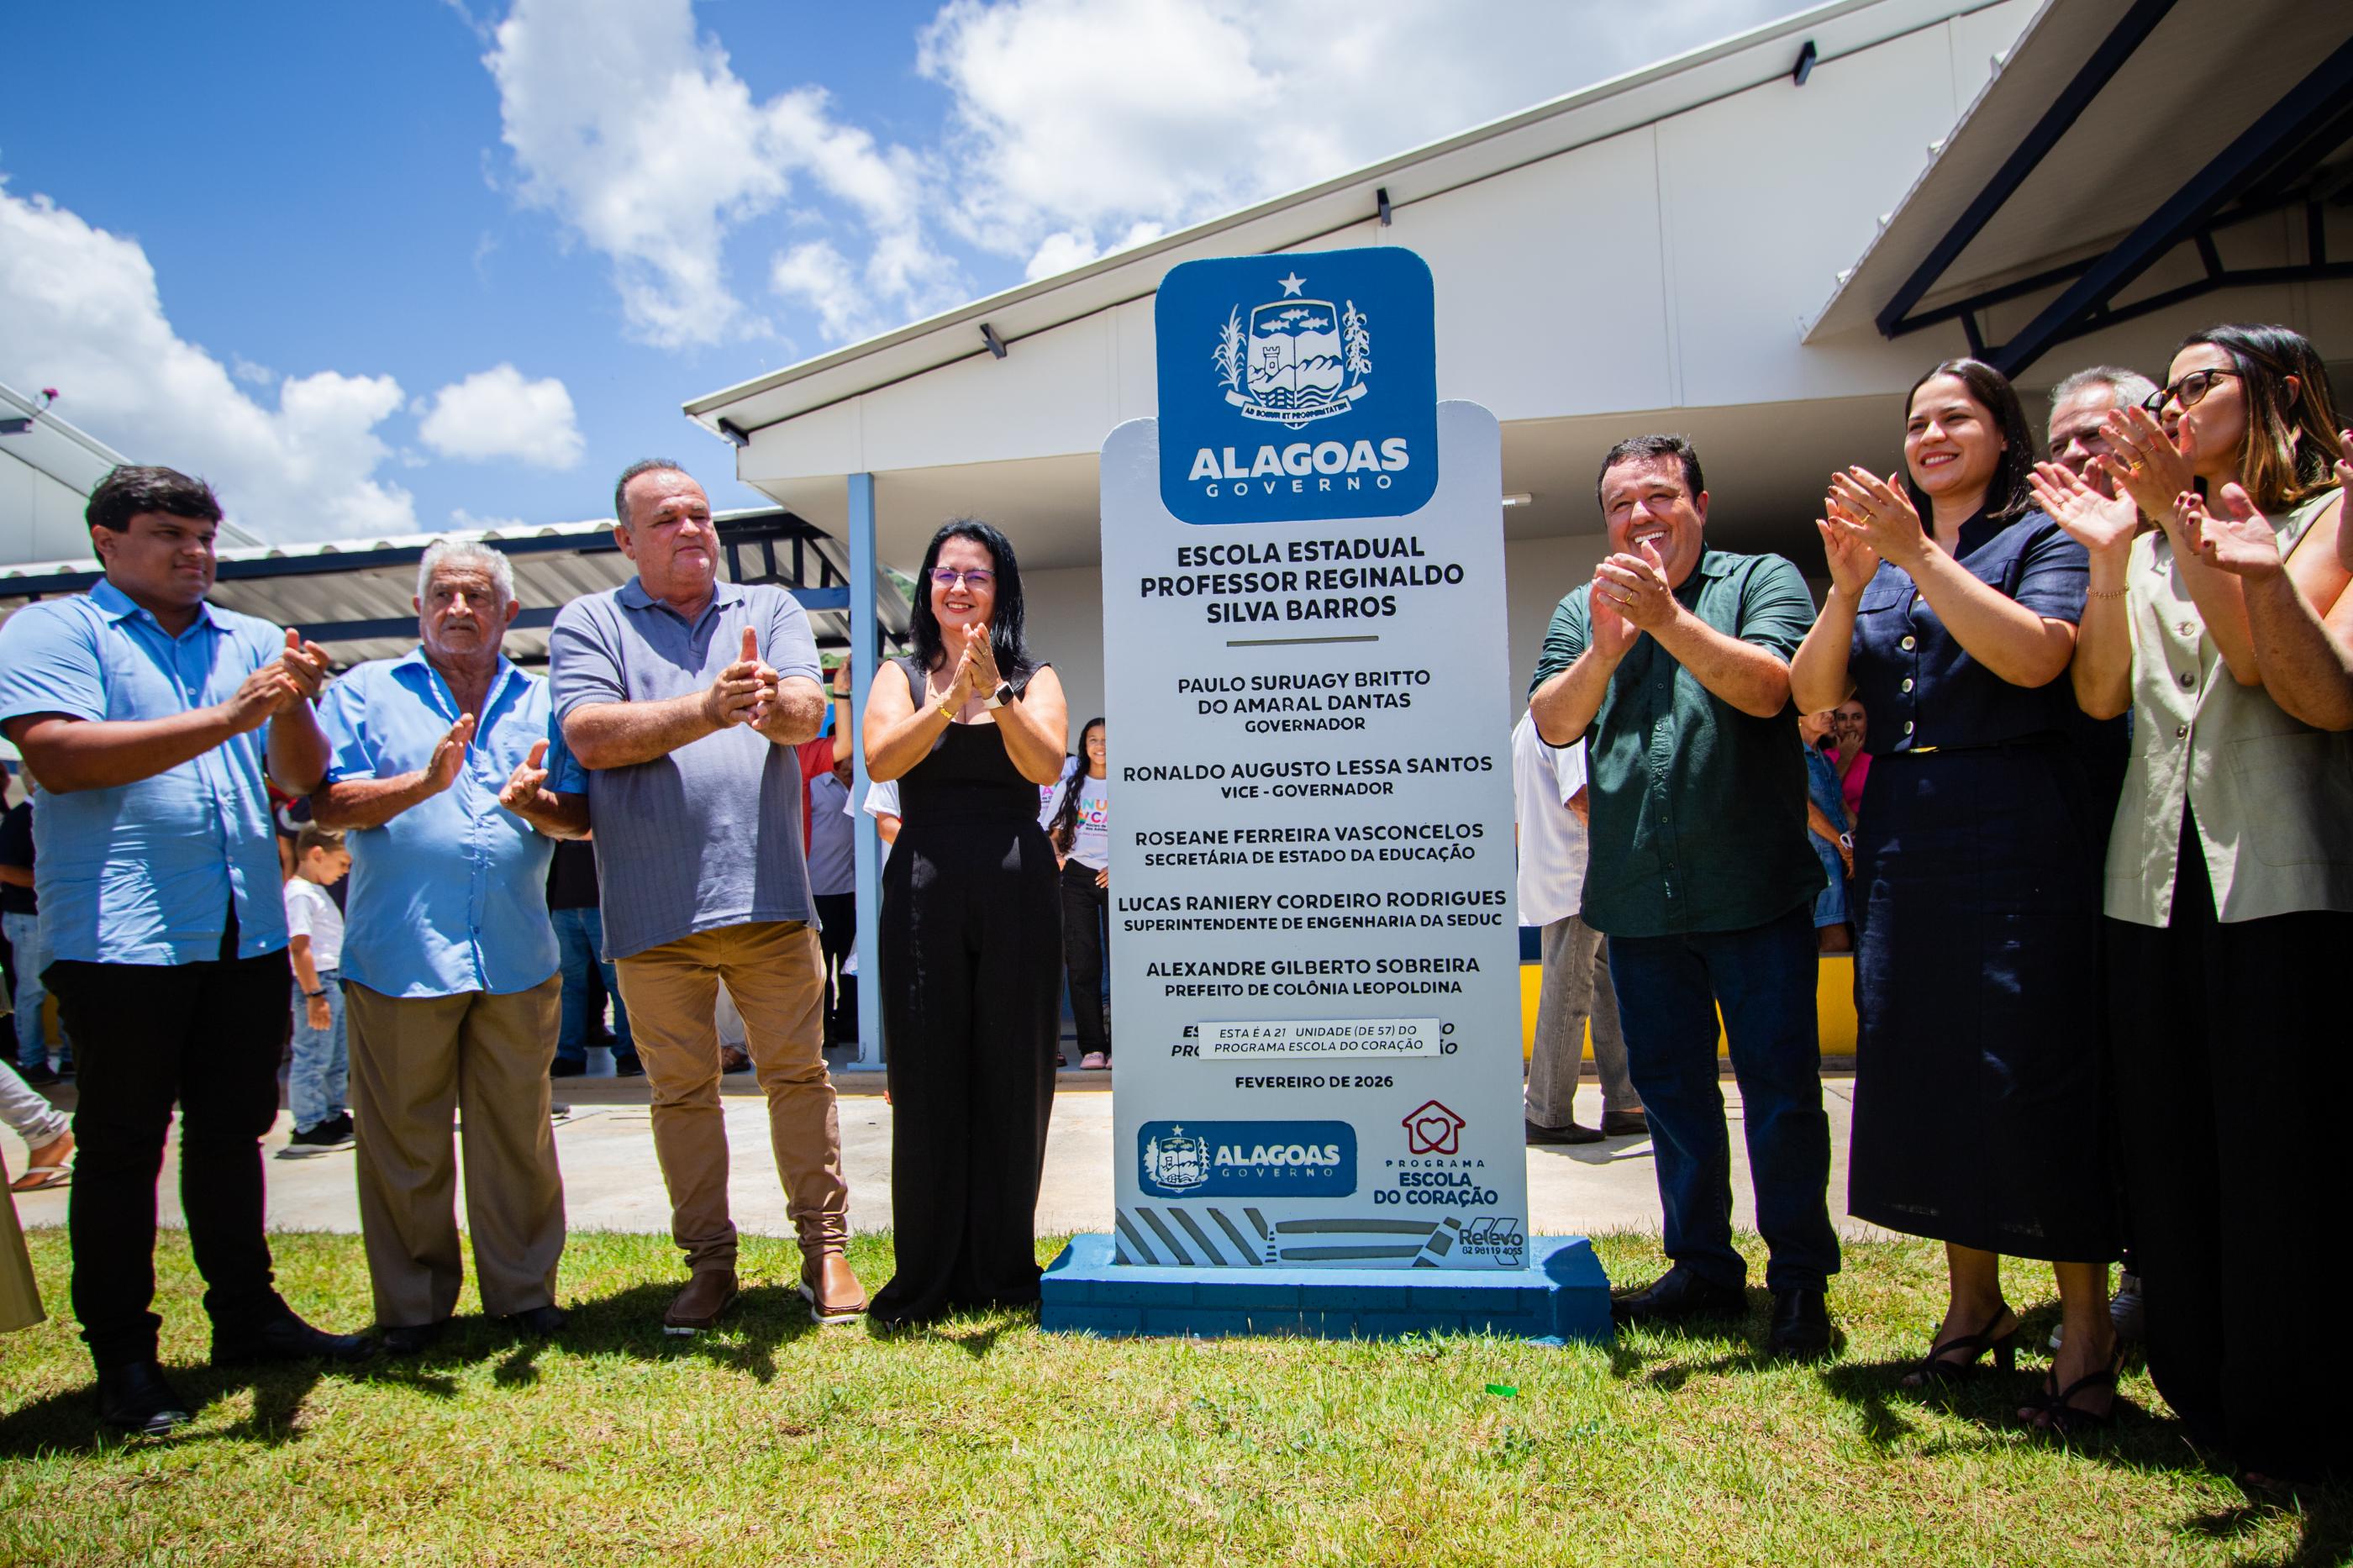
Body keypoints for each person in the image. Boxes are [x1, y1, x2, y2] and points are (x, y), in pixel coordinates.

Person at [2039, 324, 2351, 1486]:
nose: (2173, 404)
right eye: (2162, 390)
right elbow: (2101, 688)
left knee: (2279, 1149)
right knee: (2172, 1143)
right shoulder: (2155, 541)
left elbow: (2280, 674)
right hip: (2149, 878)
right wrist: (2120, 552)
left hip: (2277, 870)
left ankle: (2293, 1408)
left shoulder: (2324, 516)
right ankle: (2203, 1389)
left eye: (2198, 383)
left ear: (2277, 389)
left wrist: (2182, 516)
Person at [0, 465, 368, 1435]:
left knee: (233, 1130)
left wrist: (289, 702)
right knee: (122, 1145)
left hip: (239, 928)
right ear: (107, 541)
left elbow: (298, 780)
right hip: (119, 935)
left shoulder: (251, 641)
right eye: (169, 533)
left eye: (205, 535)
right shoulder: (54, 631)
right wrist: (229, 716)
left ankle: (245, 1316)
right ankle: (124, 1357)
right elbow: (57, 755)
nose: (194, 553)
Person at [1791, 357, 2118, 1426]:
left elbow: (2034, 662)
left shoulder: (2044, 535)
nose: (1932, 434)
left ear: (2000, 432)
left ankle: (2085, 1328)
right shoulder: (1879, 567)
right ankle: (1972, 1308)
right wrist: (1847, 588)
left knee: (2032, 1065)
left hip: (2019, 822)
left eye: (1956, 418)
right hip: (1906, 836)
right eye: (1916, 420)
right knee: (1925, 1060)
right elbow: (1812, 697)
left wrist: (1918, 553)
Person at [1528, 434, 1838, 1359]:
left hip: (1754, 891)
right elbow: (1553, 721)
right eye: (1620, 504)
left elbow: (1772, 691)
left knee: (1781, 1097)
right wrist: (1608, 648)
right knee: (1670, 1096)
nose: (1640, 517)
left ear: (1698, 500)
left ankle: (1798, 1286)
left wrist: (1666, 621)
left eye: (1659, 496)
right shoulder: (1583, 607)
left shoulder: (1762, 580)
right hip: (1637, 900)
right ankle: (1701, 1267)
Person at [550, 459, 864, 1332]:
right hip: (653, 914)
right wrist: (710, 708)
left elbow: (808, 712)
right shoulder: (591, 621)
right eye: (665, 520)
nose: (690, 529)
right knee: (680, 1094)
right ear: (625, 540)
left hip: (769, 899)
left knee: (799, 1079)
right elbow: (589, 732)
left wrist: (773, 705)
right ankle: (709, 1264)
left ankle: (824, 1251)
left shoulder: (766, 610)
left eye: (700, 515)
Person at [313, 539, 586, 1353]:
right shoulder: (365, 692)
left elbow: (580, 819)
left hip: (515, 953)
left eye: (477, 597)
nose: (459, 609)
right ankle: (415, 1309)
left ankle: (525, 1295)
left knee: (519, 1138)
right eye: (443, 595)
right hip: (401, 954)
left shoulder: (546, 703)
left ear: (507, 613)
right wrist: (423, 786)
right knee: (405, 1141)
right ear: (420, 609)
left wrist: (541, 807)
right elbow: (328, 805)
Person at [861, 519, 1069, 1327]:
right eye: (944, 573)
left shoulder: (1034, 674)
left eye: (976, 575)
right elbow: (882, 761)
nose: (958, 587)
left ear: (1000, 590)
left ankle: (1002, 1269)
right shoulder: (898, 674)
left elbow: (1046, 764)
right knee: (927, 1080)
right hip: (924, 888)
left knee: (1014, 1078)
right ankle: (928, 1274)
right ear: (927, 590)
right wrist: (950, 700)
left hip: (1017, 887)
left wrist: (998, 692)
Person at [2045, 363, 2161, 1345]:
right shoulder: (2054, 552)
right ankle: (2141, 1269)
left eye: (2102, 433)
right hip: (2088, 850)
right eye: (2066, 443)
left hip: (2223, 848)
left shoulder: (2203, 531)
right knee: (2112, 1069)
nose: (2082, 455)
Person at [1510, 710, 1644, 1144]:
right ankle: (1546, 1111)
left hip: (1559, 873)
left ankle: (1625, 1101)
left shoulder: (1526, 725)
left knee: (1606, 984)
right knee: (1571, 992)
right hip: (1578, 876)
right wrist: (1626, 854)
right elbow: (1580, 798)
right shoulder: (1565, 721)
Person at [279, 824, 354, 1155]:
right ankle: (308, 1125)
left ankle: (331, 1116)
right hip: (317, 984)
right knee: (313, 1056)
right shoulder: (298, 893)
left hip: (332, 980)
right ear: (317, 854)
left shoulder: (316, 890)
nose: (345, 871)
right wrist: (313, 996)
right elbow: (299, 947)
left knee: (336, 1056)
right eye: (342, 863)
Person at [1047, 717, 1111, 1071]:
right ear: (1084, 746)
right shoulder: (1072, 784)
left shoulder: (1129, 783)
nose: (1100, 747)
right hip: (1078, 879)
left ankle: (1122, 1046)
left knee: (1122, 966)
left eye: (1107, 739)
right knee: (1083, 963)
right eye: (1093, 740)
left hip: (1118, 880)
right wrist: (1058, 857)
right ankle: (1092, 1047)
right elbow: (1052, 831)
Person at [0, 776, 71, 1082]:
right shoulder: (19, 819)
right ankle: (32, 1061)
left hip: (55, 915)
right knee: (32, 991)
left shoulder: (55, 815)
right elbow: (4, 869)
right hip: (27, 918)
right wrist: (46, 879)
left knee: (66, 987)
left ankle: (70, 1057)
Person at [547, 839, 639, 1077]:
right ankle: (568, 1055)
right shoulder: (562, 804)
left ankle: (629, 1053)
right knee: (568, 987)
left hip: (605, 904)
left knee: (619, 984)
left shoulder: (605, 802)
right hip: (564, 904)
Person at [809, 752, 859, 1047]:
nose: (850, 765)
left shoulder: (861, 786)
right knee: (821, 968)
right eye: (845, 758)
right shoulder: (814, 786)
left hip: (853, 892)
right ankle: (823, 1030)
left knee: (852, 965)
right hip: (820, 890)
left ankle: (852, 1027)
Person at [1794, 710, 1854, 953]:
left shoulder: (1823, 759)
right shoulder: (1793, 755)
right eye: (1820, 708)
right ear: (1798, 716)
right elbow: (1805, 808)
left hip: (1838, 859)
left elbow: (1842, 809)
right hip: (1818, 859)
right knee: (1834, 939)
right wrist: (1843, 845)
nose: (1830, 714)